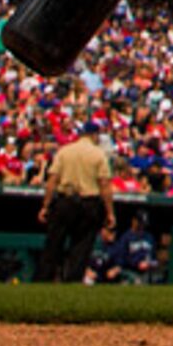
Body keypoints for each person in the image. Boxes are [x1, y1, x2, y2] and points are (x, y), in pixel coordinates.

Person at [38, 120, 112, 284]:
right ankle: (72, 280)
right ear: (94, 135)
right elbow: (104, 185)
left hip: (65, 200)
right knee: (81, 247)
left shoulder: (65, 151)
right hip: (89, 202)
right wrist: (110, 212)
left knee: (53, 244)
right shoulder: (98, 154)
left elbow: (52, 181)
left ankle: (44, 279)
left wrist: (45, 206)